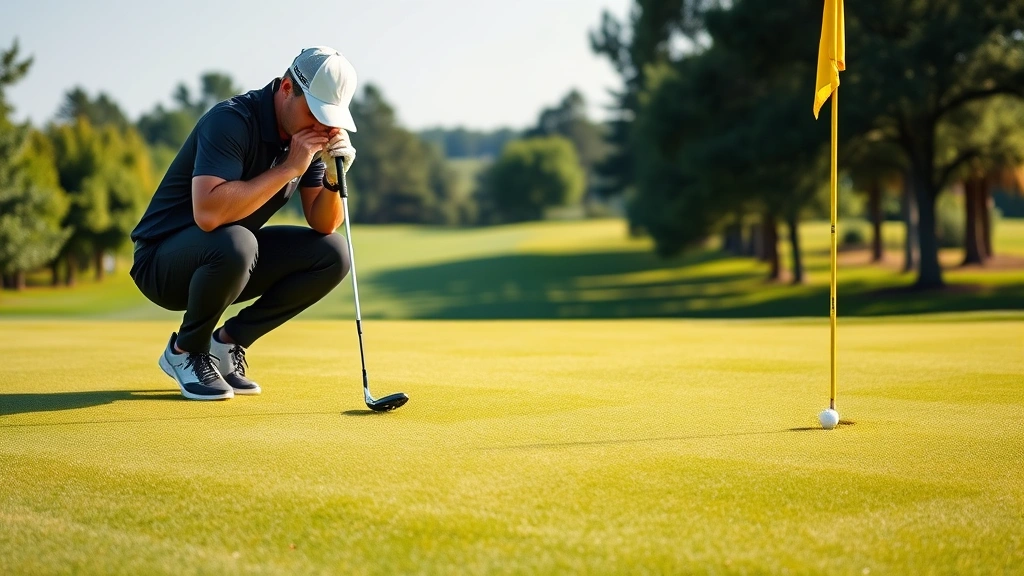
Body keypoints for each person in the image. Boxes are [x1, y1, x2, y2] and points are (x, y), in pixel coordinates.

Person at [129, 46, 359, 401]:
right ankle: (185, 351)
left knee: (334, 253)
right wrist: (287, 169)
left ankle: (227, 344)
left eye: (330, 117)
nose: (322, 126)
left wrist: (331, 175)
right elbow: (208, 214)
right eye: (315, 112)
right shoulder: (231, 121)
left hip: (229, 256)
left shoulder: (307, 140)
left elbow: (323, 222)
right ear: (286, 88)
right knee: (238, 242)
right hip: (162, 263)